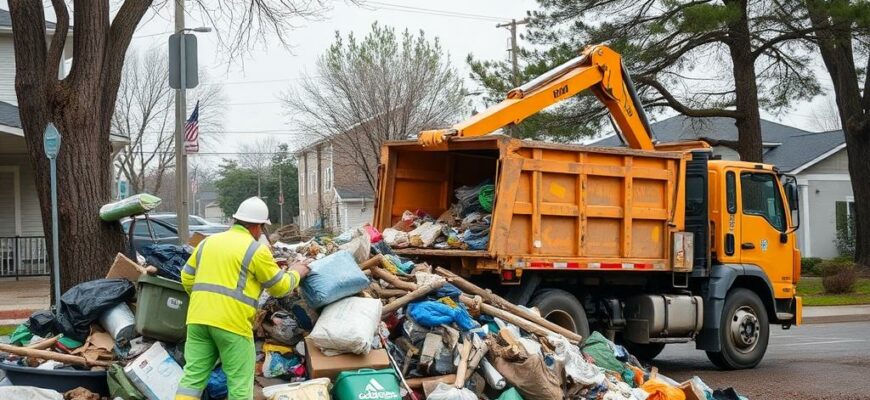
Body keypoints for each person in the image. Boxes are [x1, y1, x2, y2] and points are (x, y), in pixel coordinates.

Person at [175, 197, 310, 400]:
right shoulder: (256, 250)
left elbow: (186, 276)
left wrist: (204, 301)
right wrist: (297, 272)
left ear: (236, 220)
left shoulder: (207, 242)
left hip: (197, 320)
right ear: (258, 227)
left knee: (192, 380)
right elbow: (279, 288)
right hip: (233, 325)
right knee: (239, 386)